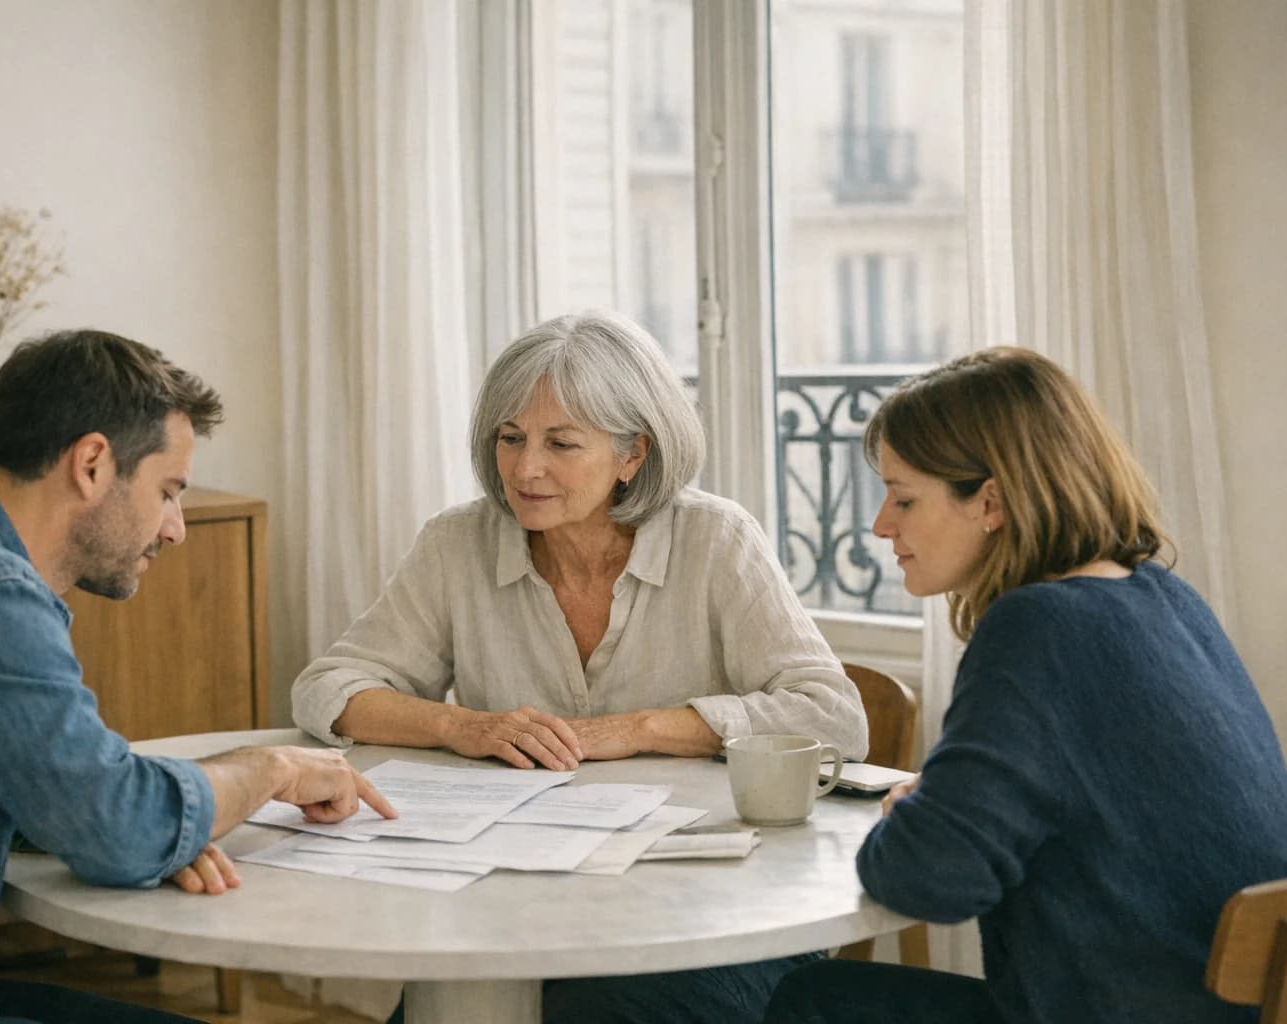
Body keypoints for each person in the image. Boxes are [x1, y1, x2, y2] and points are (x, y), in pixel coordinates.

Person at [0, 330, 396, 1024]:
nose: (176, 528)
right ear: (91, 463)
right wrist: (268, 771)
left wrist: (155, 824)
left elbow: (78, 800)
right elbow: (120, 825)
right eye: (167, 491)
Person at [292, 310, 868, 1024]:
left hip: (718, 911)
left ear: (633, 454)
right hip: (522, 903)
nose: (524, 468)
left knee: (587, 1011)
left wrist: (638, 729)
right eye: (510, 438)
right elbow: (328, 688)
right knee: (452, 1011)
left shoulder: (716, 539)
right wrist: (460, 725)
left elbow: (833, 716)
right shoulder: (457, 542)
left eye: (560, 443)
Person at [764, 347, 1287, 1023]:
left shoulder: (1036, 627)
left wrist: (917, 817)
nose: (880, 525)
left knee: (812, 1000)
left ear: (990, 501)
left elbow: (929, 878)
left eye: (904, 498)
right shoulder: (1165, 597)